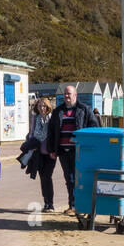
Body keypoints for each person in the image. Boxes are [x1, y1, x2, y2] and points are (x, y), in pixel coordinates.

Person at [48, 85, 96, 213]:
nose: (66, 96)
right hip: (63, 151)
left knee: (79, 179)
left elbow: (94, 127)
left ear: (75, 95)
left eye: (69, 93)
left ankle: (82, 205)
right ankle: (73, 205)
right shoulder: (58, 111)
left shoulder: (84, 109)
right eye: (65, 94)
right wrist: (52, 149)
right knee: (69, 179)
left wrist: (88, 145)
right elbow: (51, 132)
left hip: (79, 151)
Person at [25, 98, 56, 210]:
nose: (42, 108)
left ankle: (51, 204)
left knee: (47, 177)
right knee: (42, 178)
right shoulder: (36, 118)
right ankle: (46, 203)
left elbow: (55, 134)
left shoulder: (52, 118)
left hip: (50, 153)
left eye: (44, 106)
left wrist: (55, 150)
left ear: (48, 107)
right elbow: (32, 133)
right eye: (39, 106)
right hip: (38, 152)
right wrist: (29, 142)